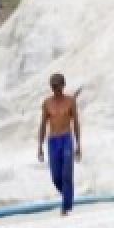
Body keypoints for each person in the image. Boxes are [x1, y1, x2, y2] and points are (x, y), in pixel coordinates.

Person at [38, 73, 82, 215]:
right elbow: (43, 124)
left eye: (57, 86)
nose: (55, 89)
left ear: (63, 85)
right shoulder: (47, 103)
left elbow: (75, 122)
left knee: (66, 174)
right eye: (53, 86)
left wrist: (78, 145)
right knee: (56, 177)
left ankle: (65, 207)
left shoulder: (70, 101)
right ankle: (68, 195)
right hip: (53, 141)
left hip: (66, 139)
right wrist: (39, 146)